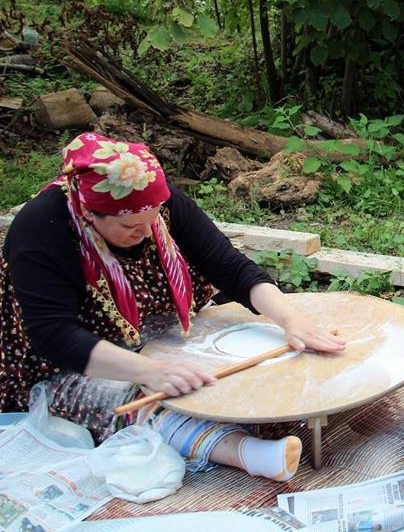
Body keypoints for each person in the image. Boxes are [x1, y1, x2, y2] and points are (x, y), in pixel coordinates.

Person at [0, 132, 347, 481]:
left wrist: (290, 318)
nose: (150, 232)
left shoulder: (158, 201)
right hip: (79, 358)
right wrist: (149, 371)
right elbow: (55, 336)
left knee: (245, 350)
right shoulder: (41, 228)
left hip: (161, 324)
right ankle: (243, 451)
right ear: (89, 213)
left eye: (153, 219)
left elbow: (228, 265)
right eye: (130, 226)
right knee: (137, 398)